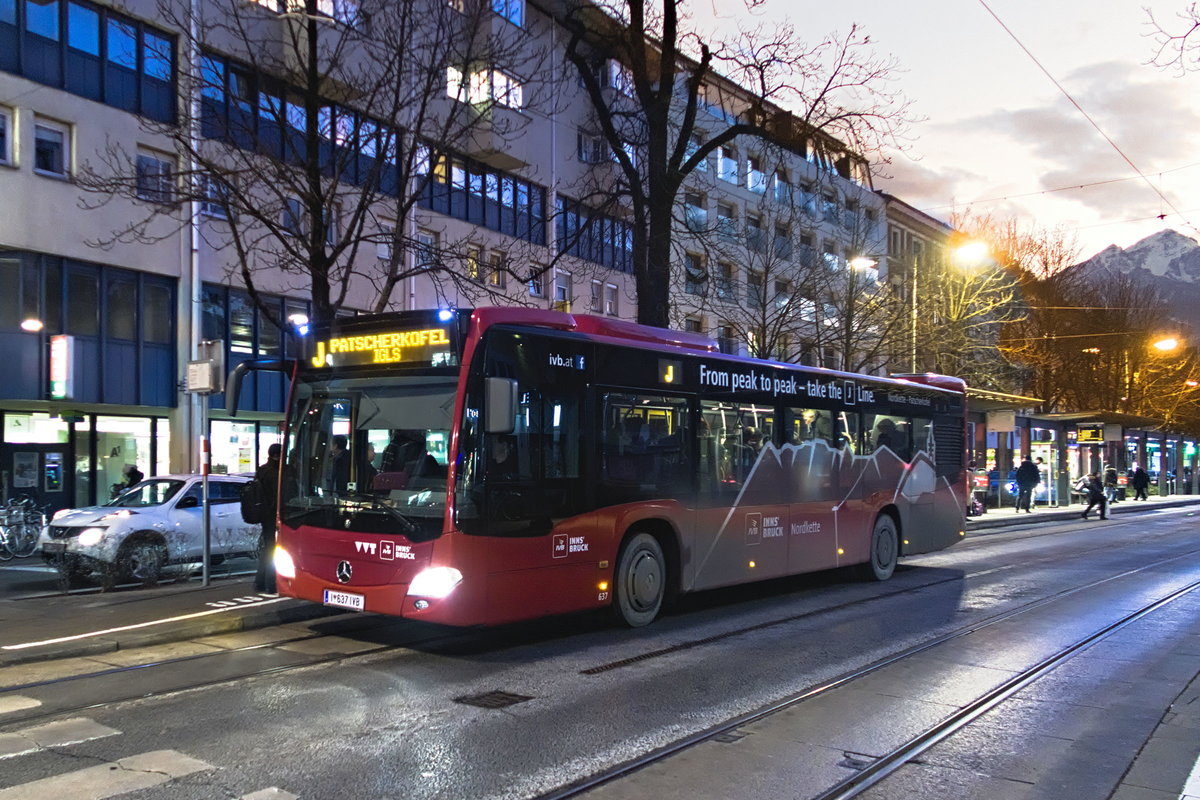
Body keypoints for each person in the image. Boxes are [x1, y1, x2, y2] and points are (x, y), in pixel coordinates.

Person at [254, 443, 282, 593]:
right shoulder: (278, 472)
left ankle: (260, 582)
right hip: (275, 515)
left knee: (267, 548)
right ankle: (271, 583)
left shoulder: (262, 470)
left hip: (264, 515)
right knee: (274, 550)